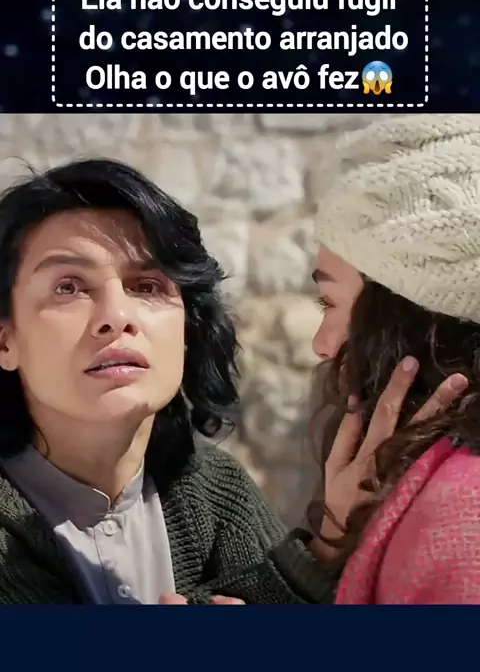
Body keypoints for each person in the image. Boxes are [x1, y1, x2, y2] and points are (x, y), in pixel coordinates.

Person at [0, 156, 462, 605]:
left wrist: (334, 536)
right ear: (5, 341)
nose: (116, 316)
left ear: (187, 329)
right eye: (69, 287)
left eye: (147, 286)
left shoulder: (213, 489)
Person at [309, 113, 480, 604]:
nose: (321, 344)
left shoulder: (460, 518)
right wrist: (334, 539)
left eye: (328, 304)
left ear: (403, 316)